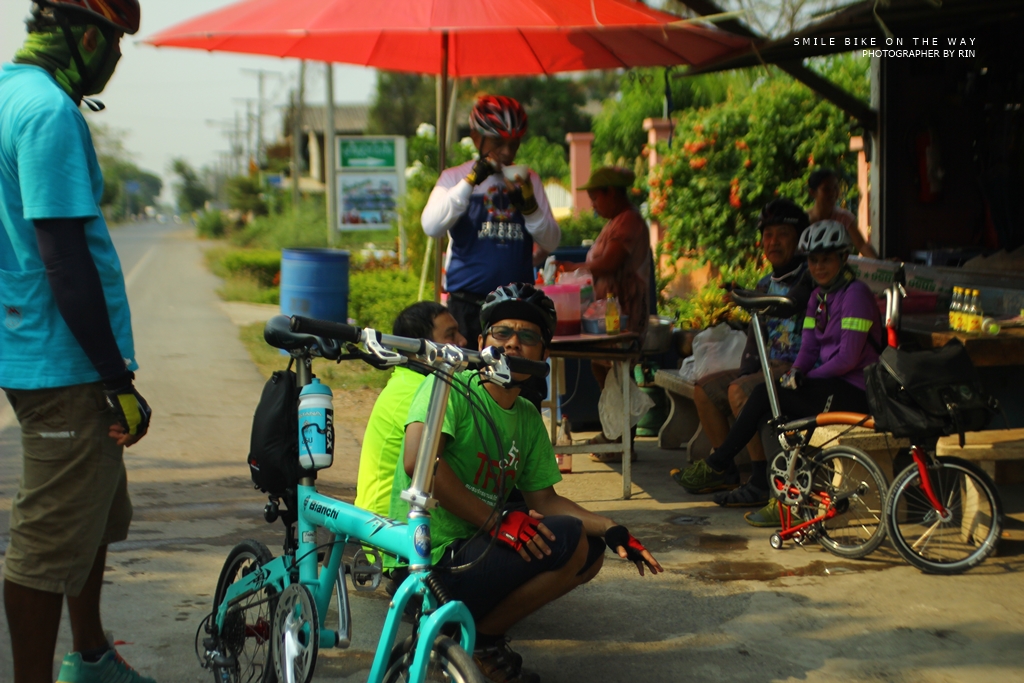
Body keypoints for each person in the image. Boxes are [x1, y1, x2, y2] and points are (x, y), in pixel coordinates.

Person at [389, 284, 662, 683]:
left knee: (590, 548)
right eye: (502, 332)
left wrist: (611, 527)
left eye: (528, 336)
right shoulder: (450, 386)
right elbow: (420, 463)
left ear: (543, 355)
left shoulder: (528, 417)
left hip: (473, 552)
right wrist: (497, 521)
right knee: (568, 537)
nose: (513, 343)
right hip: (425, 560)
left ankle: (480, 639)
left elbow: (545, 500)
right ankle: (476, 638)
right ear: (481, 344)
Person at [0, 2, 155, 683]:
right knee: (45, 543)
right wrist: (116, 379)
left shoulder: (11, 93)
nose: (116, 57)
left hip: (34, 341)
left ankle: (90, 655)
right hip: (63, 360)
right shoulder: (47, 113)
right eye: (115, 42)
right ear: (86, 37)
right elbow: (63, 256)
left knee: (91, 510)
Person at [669, 221, 882, 521]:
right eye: (813, 260)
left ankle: (723, 465)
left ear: (844, 258)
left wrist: (806, 377)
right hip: (830, 384)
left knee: (764, 397)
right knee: (768, 402)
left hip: (855, 391)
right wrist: (796, 371)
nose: (819, 267)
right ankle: (778, 493)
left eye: (827, 259)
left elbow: (847, 358)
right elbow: (809, 348)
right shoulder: (819, 297)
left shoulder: (855, 295)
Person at [671, 199, 812, 498]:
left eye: (783, 234)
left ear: (800, 239)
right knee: (704, 390)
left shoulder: (810, 277)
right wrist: (747, 371)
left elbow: (795, 306)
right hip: (768, 367)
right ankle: (727, 472)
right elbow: (754, 338)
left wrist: (745, 381)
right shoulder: (764, 284)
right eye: (768, 235)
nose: (773, 241)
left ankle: (761, 481)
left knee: (740, 391)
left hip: (798, 369)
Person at [421, 95, 561, 348]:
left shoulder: (529, 180)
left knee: (514, 373)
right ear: (476, 137)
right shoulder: (454, 178)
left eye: (514, 144)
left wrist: (530, 208)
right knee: (466, 373)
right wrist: (471, 181)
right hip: (467, 306)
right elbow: (432, 226)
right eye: (498, 142)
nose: (507, 152)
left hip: (515, 307)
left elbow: (551, 241)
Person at [355, 301, 466, 519]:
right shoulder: (415, 392)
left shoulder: (412, 381)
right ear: (421, 350)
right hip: (386, 526)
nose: (462, 341)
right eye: (450, 335)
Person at [807, 168, 878, 259]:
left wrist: (881, 264)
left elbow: (861, 245)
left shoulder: (844, 218)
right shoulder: (803, 219)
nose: (833, 193)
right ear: (812, 193)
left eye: (835, 188)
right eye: (826, 189)